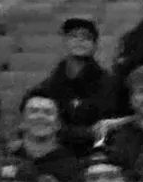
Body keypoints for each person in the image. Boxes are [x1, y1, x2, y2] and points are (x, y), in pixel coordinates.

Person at [38, 12, 117, 147]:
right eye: (73, 36)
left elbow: (106, 124)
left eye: (86, 37)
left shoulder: (109, 82)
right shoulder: (50, 84)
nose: (79, 41)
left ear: (95, 45)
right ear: (65, 42)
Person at [11, 89, 85, 182]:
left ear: (58, 124)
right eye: (33, 111)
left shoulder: (73, 168)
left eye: (48, 112)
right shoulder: (4, 158)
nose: (40, 116)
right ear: (21, 121)